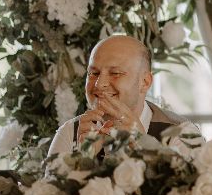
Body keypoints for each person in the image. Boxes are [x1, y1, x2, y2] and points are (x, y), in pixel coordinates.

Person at [47, 35, 194, 156]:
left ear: (145, 82)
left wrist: (144, 148)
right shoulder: (69, 132)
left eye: (115, 73)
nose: (99, 84)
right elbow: (52, 185)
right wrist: (83, 159)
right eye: (94, 73)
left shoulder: (182, 133)